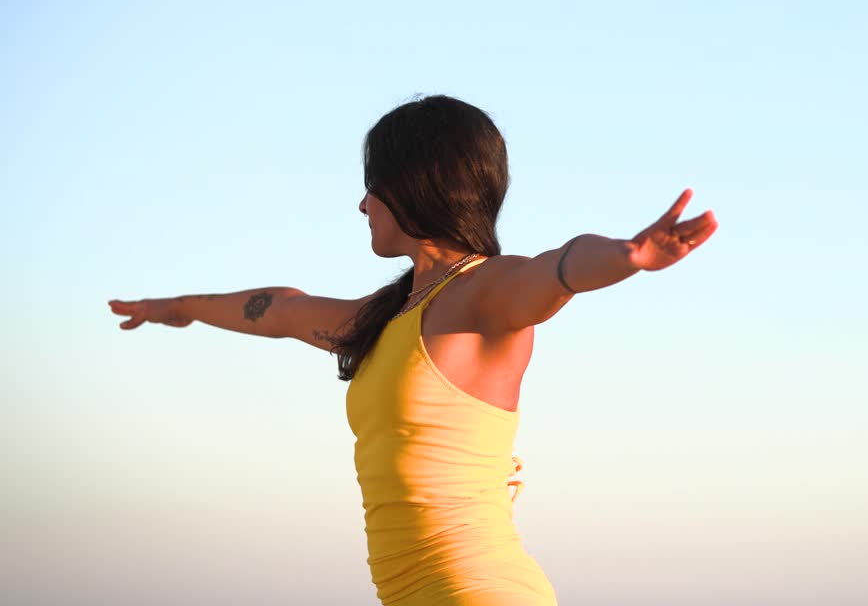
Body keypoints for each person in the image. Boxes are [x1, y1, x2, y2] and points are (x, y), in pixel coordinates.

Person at [107, 94, 718, 605]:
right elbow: (282, 309)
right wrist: (176, 308)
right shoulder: (386, 318)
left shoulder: (483, 294)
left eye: (371, 187)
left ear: (413, 184)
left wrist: (629, 256)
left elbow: (558, 268)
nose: (362, 205)